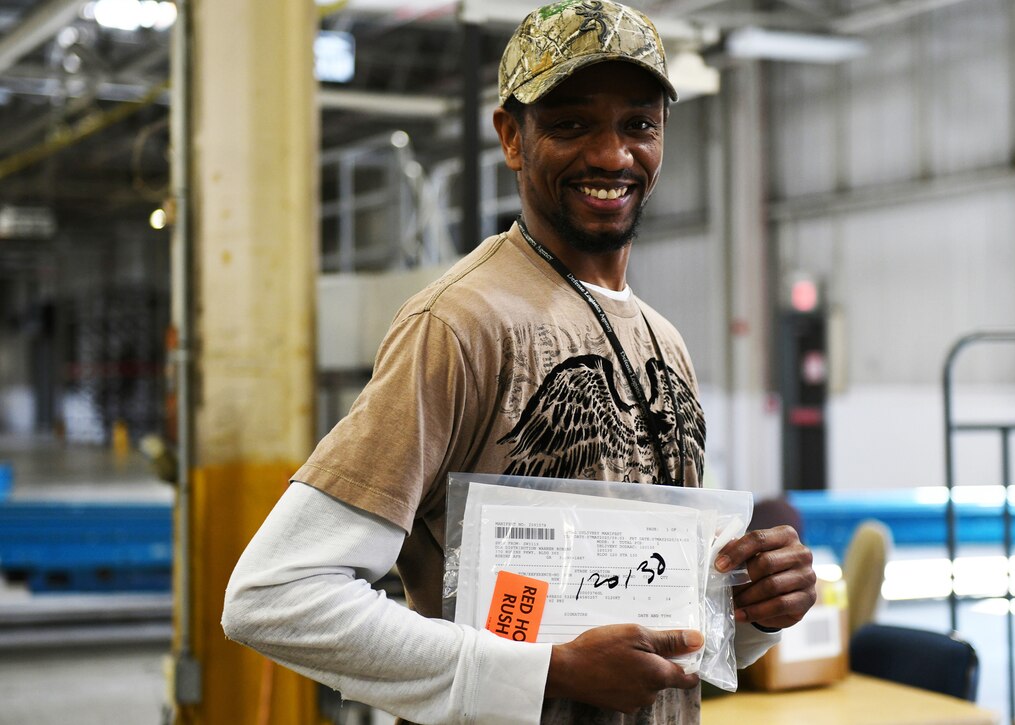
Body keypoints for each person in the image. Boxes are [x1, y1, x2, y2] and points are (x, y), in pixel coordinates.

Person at [222, 1, 816, 723]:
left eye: (638, 125)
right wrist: (550, 671)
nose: (611, 154)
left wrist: (755, 610)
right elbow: (274, 595)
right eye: (570, 124)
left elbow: (669, 628)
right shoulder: (462, 323)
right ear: (511, 136)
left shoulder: (665, 341)